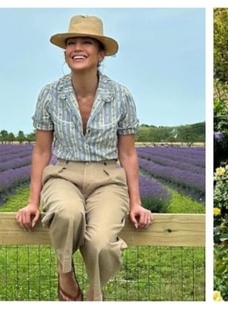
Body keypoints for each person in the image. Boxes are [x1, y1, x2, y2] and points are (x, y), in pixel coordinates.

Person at [15, 14, 154, 301]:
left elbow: (127, 153)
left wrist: (137, 202)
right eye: (71, 43)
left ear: (101, 53)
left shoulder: (121, 96)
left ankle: (94, 292)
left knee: (102, 244)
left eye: (86, 42)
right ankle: (64, 273)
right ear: (65, 53)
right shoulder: (49, 94)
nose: (77, 48)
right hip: (63, 174)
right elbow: (42, 151)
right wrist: (32, 202)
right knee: (67, 213)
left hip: (107, 180)